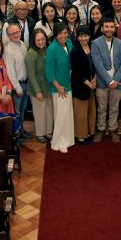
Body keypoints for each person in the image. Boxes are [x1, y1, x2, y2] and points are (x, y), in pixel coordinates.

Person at [92, 18, 121, 141]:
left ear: (115, 28)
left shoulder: (120, 43)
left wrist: (115, 80)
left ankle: (113, 129)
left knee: (114, 108)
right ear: (102, 28)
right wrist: (109, 81)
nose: (109, 29)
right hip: (102, 82)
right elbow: (98, 64)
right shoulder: (95, 43)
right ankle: (101, 129)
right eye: (106, 27)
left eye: (111, 27)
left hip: (117, 82)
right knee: (101, 108)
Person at [45, 23, 75, 153]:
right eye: (60, 33)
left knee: (67, 114)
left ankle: (68, 139)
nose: (63, 35)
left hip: (69, 84)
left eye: (65, 32)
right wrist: (58, 87)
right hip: (59, 88)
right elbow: (49, 72)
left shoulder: (69, 42)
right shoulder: (51, 49)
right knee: (60, 115)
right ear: (55, 35)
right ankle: (58, 141)